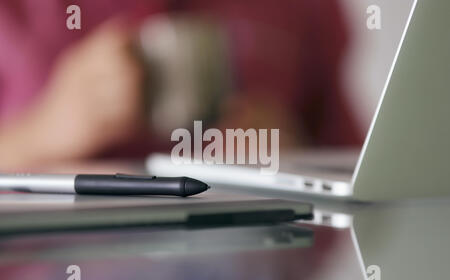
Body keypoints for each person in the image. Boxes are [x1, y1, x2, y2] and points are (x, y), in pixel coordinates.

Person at [0, 0, 362, 171]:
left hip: (247, 251)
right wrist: (41, 131)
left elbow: (361, 171)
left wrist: (291, 150)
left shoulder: (304, 10)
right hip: (53, 258)